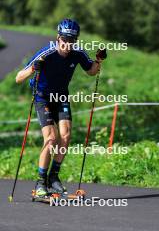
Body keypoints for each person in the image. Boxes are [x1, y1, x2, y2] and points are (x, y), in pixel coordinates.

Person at [15, 18, 106, 197]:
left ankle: (53, 177)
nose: (67, 44)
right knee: (51, 138)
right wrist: (34, 68)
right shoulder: (47, 52)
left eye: (71, 40)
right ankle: (41, 182)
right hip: (42, 97)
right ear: (58, 38)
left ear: (75, 41)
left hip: (61, 96)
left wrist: (98, 60)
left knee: (65, 135)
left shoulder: (78, 53)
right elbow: (18, 78)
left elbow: (91, 71)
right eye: (64, 39)